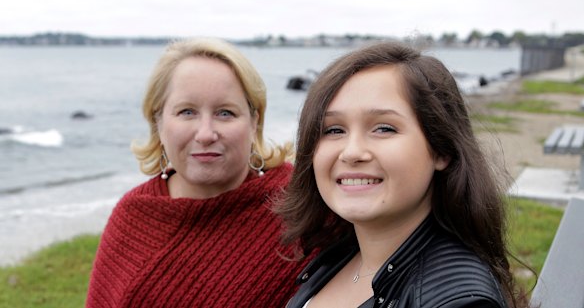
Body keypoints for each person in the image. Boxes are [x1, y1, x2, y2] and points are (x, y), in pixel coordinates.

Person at [276, 41, 528, 308]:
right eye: (334, 130)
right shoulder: (339, 254)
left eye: (384, 128)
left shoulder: (458, 302)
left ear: (441, 150)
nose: (351, 152)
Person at [86, 38, 303, 307]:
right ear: (159, 122)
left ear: (254, 120)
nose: (205, 134)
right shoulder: (134, 215)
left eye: (225, 113)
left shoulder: (301, 208)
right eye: (187, 111)